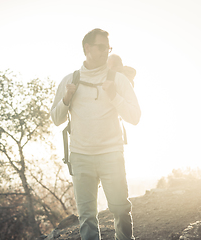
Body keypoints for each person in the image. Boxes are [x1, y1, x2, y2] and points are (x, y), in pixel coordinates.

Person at [50, 28, 141, 240]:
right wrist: (66, 98)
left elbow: (135, 117)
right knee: (87, 217)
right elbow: (55, 119)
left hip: (111, 154)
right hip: (80, 157)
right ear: (87, 48)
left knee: (120, 210)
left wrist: (114, 96)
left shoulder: (118, 80)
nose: (105, 52)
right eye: (101, 47)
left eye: (108, 48)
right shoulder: (69, 80)